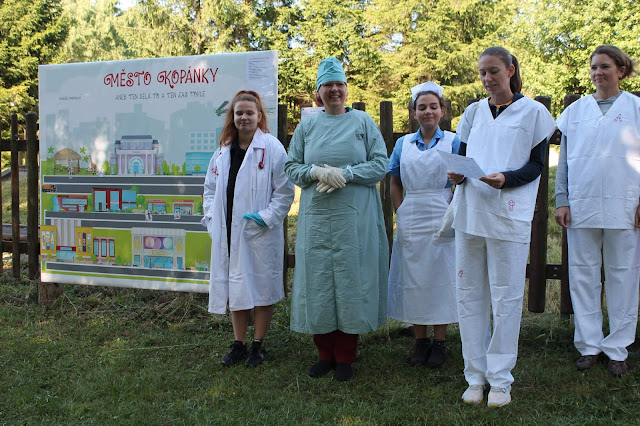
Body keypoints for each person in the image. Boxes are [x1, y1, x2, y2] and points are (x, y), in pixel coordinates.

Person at [447, 47, 556, 407]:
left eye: (493, 71)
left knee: (506, 296)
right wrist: (457, 175)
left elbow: (536, 166)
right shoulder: (473, 112)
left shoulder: (534, 113)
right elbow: (463, 157)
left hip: (507, 214)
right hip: (471, 213)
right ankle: (474, 376)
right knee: (469, 294)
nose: (487, 78)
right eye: (482, 72)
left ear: (510, 70)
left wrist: (506, 179)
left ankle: (500, 379)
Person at [285, 56, 389, 382]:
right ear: (318, 92)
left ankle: (345, 355)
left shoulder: (362, 122)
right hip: (317, 218)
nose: (334, 90)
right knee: (319, 281)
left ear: (346, 89)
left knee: (350, 279)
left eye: (339, 84)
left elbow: (380, 164)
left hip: (354, 219)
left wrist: (348, 173)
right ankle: (324, 354)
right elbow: (291, 166)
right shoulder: (307, 127)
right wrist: (314, 172)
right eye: (327, 85)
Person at [555, 45, 640, 377]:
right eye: (593, 67)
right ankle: (589, 345)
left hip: (626, 204)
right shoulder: (576, 111)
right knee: (583, 275)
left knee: (623, 275)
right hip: (582, 204)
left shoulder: (635, 108)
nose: (597, 72)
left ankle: (618, 347)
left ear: (621, 70)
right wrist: (562, 199)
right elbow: (565, 160)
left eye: (604, 66)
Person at [202, 90, 295, 367]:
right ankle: (239, 343)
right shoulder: (222, 151)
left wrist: (265, 218)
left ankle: (258, 345)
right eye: (239, 113)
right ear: (232, 116)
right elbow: (209, 189)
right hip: (228, 231)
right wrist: (211, 218)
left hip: (258, 231)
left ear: (259, 116)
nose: (244, 117)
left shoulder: (272, 148)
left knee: (262, 286)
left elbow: (285, 192)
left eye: (249, 113)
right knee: (236, 285)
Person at [387, 82, 459, 368]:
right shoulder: (403, 144)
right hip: (412, 214)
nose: (428, 111)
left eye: (433, 106)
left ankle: (439, 341)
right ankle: (420, 340)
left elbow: (462, 179)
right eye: (422, 107)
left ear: (442, 111)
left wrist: (453, 207)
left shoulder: (453, 141)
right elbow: (395, 180)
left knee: (441, 275)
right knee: (414, 277)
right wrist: (400, 210)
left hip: (442, 211)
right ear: (414, 113)